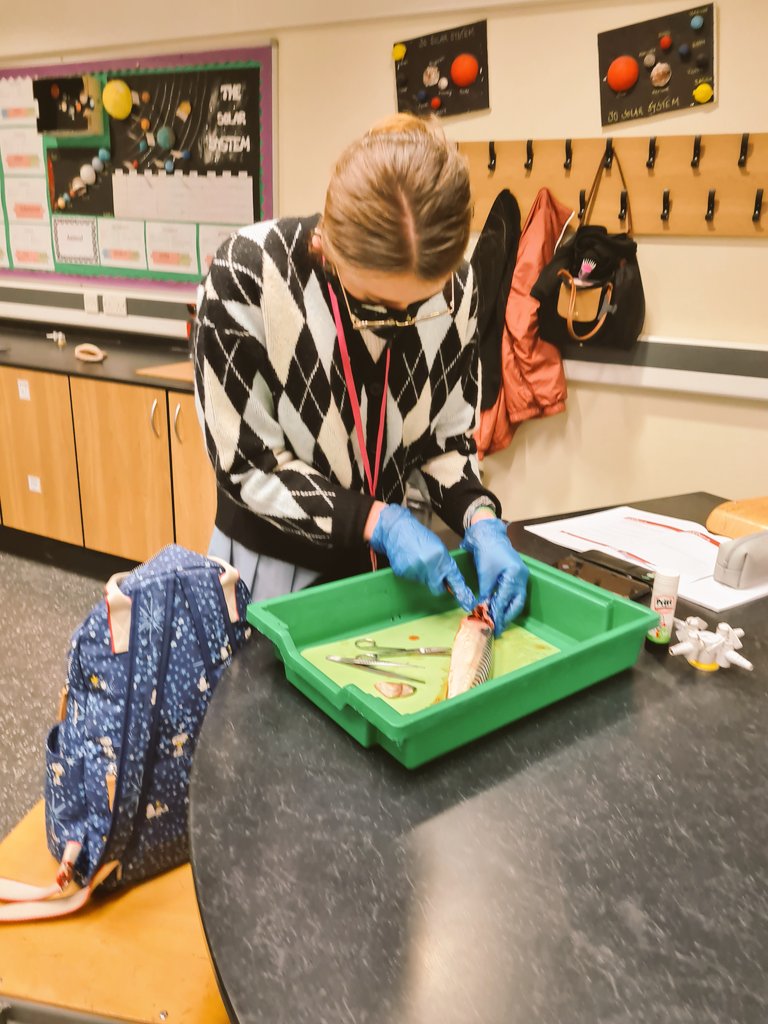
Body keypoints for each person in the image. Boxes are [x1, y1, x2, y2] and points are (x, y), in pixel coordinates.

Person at [193, 113, 528, 635]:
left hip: (387, 571)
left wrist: (479, 518)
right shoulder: (248, 276)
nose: (400, 323)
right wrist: (375, 520)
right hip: (273, 569)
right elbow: (246, 465)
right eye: (373, 303)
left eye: (422, 303)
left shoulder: (458, 288)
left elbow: (445, 440)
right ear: (327, 246)